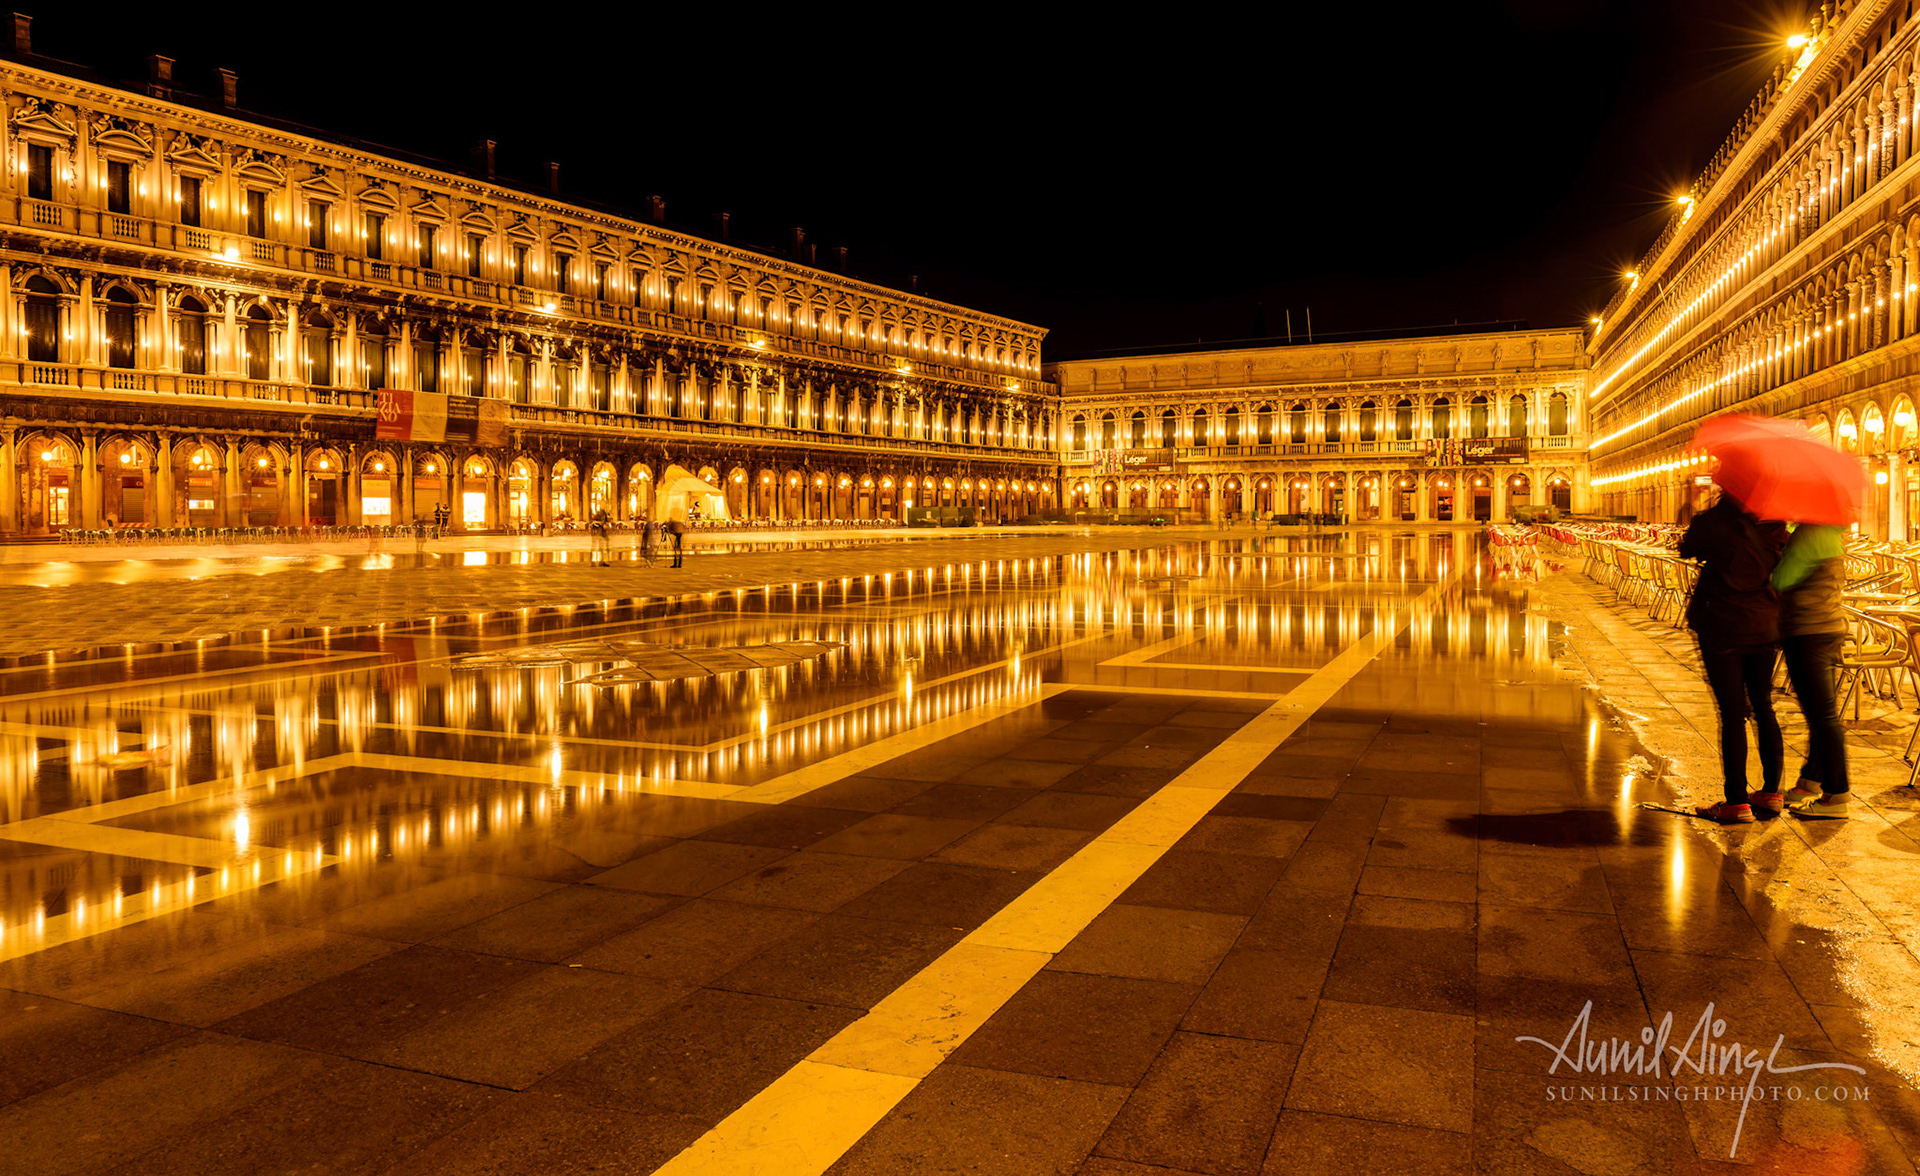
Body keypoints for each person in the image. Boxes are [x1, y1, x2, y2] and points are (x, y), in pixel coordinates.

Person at [1678, 488, 1788, 823]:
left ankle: (1737, 801)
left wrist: (1707, 512)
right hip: (1764, 623)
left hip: (1722, 623)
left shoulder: (1714, 520)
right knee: (1763, 705)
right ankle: (1771, 792)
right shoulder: (1774, 522)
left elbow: (1686, 548)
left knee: (1732, 713)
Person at [1773, 522, 1852, 819]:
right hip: (1828, 627)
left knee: (1823, 717)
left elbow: (1781, 580)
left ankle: (1837, 794)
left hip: (1807, 632)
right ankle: (1811, 782)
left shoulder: (1809, 535)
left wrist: (1781, 553)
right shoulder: (1830, 533)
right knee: (1823, 714)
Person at [666, 500, 690, 568]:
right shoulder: (679, 521)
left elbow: (671, 529)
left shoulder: (675, 521)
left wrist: (670, 529)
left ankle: (676, 564)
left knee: (677, 549)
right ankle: (678, 564)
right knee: (678, 549)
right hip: (679, 534)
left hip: (678, 535)